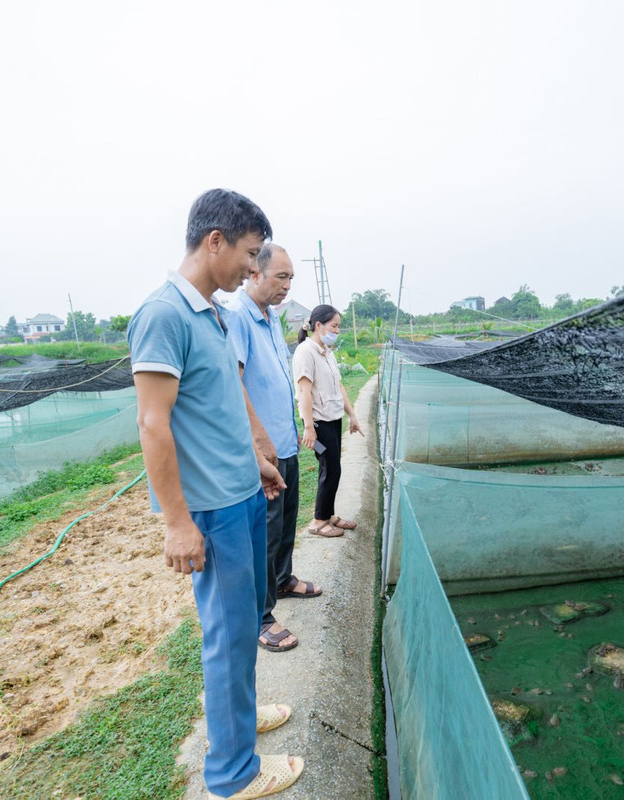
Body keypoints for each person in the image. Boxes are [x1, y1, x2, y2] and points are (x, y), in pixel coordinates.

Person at [128, 189, 303, 800]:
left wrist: (258, 459)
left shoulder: (212, 313)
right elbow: (154, 424)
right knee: (228, 636)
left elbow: (223, 401)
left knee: (244, 617)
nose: (254, 270)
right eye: (251, 256)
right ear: (214, 241)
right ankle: (234, 774)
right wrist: (177, 522)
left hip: (243, 493)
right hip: (214, 510)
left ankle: (239, 715)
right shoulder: (164, 315)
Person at [226, 243, 322, 654]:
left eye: (291, 278)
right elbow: (234, 383)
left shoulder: (271, 318)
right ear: (254, 273)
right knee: (263, 534)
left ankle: (283, 580)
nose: (286, 285)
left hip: (285, 442)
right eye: (280, 277)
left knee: (284, 524)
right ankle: (261, 617)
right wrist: (258, 443)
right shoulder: (240, 319)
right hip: (263, 450)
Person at [292, 304, 363, 537]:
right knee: (328, 467)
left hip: (333, 419)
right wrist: (309, 427)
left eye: (339, 326)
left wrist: (351, 415)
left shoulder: (327, 352)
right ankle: (318, 521)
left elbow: (339, 386)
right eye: (334, 326)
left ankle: (329, 514)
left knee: (334, 467)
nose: (338, 330)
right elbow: (304, 392)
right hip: (318, 424)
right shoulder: (305, 352)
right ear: (319, 325)